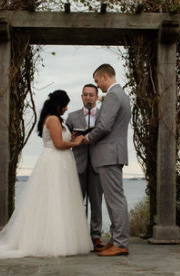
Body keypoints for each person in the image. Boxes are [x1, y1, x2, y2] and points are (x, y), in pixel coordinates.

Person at [0, 90, 93, 259]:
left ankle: (54, 237)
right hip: (55, 162)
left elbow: (58, 139)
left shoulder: (56, 120)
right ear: (59, 105)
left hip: (60, 162)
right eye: (65, 105)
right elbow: (58, 144)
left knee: (59, 200)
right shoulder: (52, 119)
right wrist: (76, 141)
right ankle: (51, 241)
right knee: (54, 199)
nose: (67, 108)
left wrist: (70, 137)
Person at [84, 64, 131, 256]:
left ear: (104, 77)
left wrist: (86, 138)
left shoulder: (112, 95)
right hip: (113, 154)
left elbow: (104, 126)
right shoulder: (122, 95)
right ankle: (116, 240)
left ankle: (120, 243)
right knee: (115, 200)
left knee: (115, 200)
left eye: (97, 81)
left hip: (108, 155)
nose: (98, 85)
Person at [66, 84, 104, 252]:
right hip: (78, 164)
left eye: (91, 95)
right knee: (77, 203)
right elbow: (64, 137)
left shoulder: (104, 115)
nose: (88, 98)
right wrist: (72, 136)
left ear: (97, 97)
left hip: (98, 164)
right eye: (85, 95)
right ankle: (77, 236)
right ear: (81, 97)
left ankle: (96, 237)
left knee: (96, 202)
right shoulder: (72, 116)